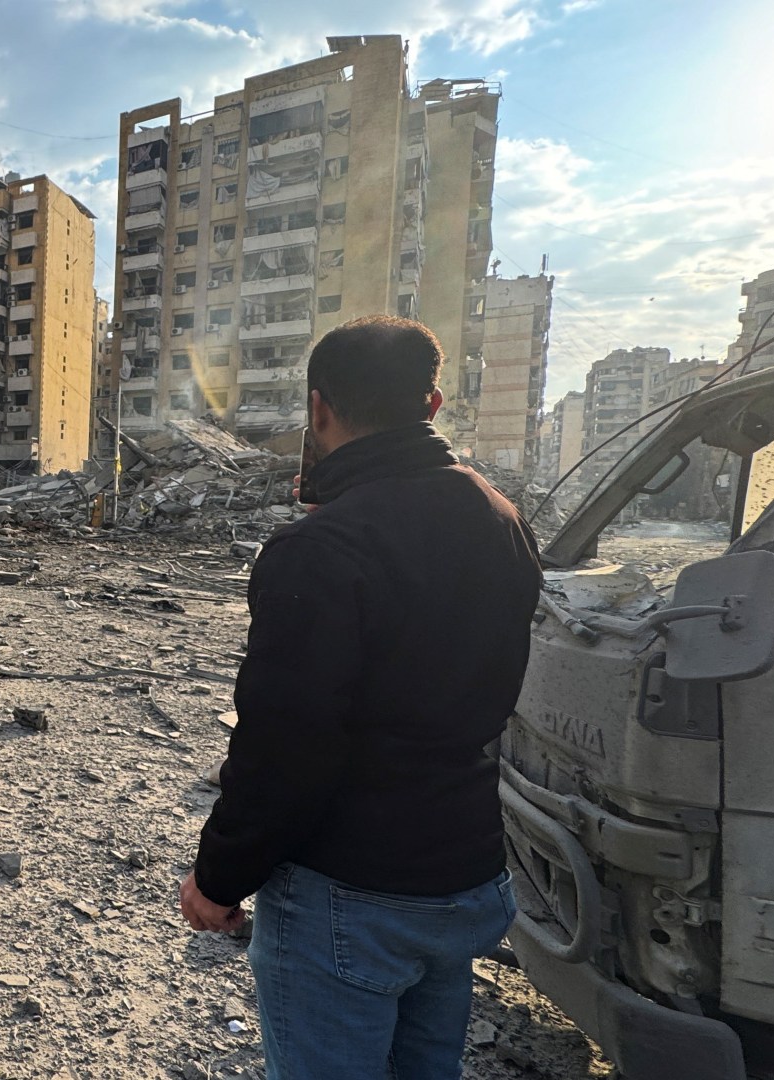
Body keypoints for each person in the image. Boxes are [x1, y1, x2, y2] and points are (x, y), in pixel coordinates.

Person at [178, 316, 543, 1080]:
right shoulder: (501, 520)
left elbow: (286, 745)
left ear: (319, 410)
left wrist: (218, 878)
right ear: (432, 404)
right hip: (463, 874)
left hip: (351, 893)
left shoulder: (322, 549)